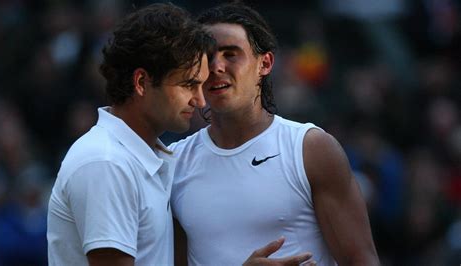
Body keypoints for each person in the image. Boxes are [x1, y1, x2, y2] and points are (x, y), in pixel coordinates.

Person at [170, 2, 380, 265]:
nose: (216, 66)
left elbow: (361, 260)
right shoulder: (173, 163)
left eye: (231, 54)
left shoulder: (311, 149)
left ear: (265, 63)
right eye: (207, 56)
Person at [46, 3, 214, 265]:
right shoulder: (107, 163)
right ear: (141, 82)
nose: (200, 101)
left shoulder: (135, 156)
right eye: (188, 84)